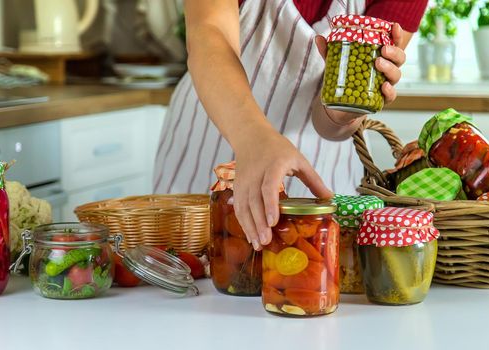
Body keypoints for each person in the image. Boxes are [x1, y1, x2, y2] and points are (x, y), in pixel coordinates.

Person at [153, 0, 428, 251]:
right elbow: (209, 31)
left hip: (319, 175)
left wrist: (342, 112)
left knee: (306, 282)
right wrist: (254, 138)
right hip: (209, 146)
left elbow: (332, 120)